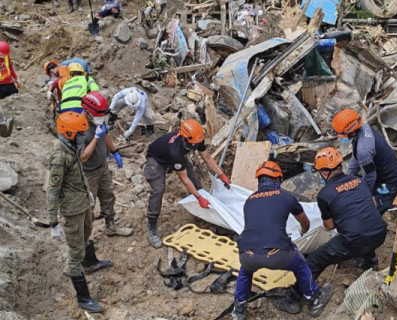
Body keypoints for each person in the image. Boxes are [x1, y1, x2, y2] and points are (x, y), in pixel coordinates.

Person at [232, 161, 332, 320]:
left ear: (259, 181)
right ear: (279, 179)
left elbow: (256, 226)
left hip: (247, 253)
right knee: (300, 265)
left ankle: (239, 309)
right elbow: (305, 222)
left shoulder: (249, 200)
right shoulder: (286, 197)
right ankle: (314, 300)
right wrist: (303, 232)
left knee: (245, 272)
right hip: (277, 253)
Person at [47, 112, 112, 313]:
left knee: (86, 234)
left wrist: (88, 194)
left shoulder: (72, 147)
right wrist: (53, 222)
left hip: (82, 203)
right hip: (72, 210)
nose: (84, 136)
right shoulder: (60, 156)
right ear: (69, 133)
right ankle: (83, 297)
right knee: (75, 254)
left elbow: (78, 174)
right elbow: (52, 189)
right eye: (80, 133)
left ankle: (90, 262)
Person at [144, 119, 231, 248]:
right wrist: (199, 197)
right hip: (156, 160)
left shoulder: (196, 138)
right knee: (158, 189)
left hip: (175, 156)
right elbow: (184, 180)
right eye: (194, 143)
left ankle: (204, 211)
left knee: (196, 183)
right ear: (186, 138)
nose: (197, 144)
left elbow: (207, 158)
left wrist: (221, 174)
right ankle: (152, 224)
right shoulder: (175, 151)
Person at [306, 147, 387, 278]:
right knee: (363, 224)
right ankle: (371, 261)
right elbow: (373, 204)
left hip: (355, 240)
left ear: (325, 173)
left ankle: (303, 295)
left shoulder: (324, 194)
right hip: (379, 233)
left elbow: (330, 226)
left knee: (314, 260)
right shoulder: (360, 181)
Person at [79, 92, 133, 237]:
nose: (100, 119)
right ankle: (85, 239)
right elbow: (83, 156)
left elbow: (106, 135)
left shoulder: (98, 119)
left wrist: (114, 152)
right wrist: (96, 138)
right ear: (86, 111)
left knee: (108, 196)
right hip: (87, 172)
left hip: (102, 167)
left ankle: (111, 226)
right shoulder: (78, 127)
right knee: (88, 205)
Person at [332, 109, 397, 215]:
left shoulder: (364, 151)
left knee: (368, 211)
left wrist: (366, 196)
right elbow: (355, 158)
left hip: (389, 182)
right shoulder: (363, 128)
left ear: (351, 132)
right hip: (380, 173)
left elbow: (370, 176)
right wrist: (349, 177)